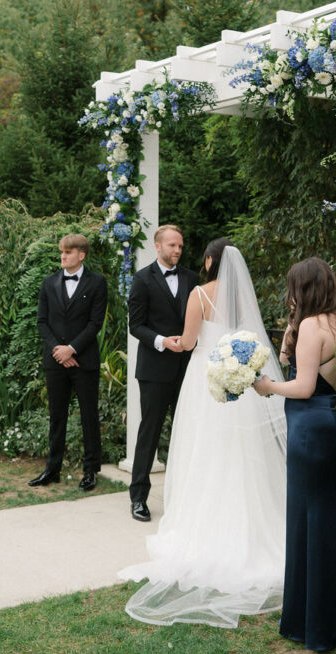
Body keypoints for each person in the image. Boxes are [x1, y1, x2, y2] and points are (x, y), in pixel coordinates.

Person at [120, 240, 287, 627]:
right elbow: (252, 340)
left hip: (206, 380)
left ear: (210, 261)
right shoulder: (243, 299)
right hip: (240, 385)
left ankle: (203, 521)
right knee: (244, 452)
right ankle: (251, 522)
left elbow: (191, 341)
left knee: (205, 448)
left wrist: (177, 342)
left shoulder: (199, 293)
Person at [254, 256, 336, 651]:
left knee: (310, 520)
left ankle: (318, 623)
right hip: (332, 420)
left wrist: (268, 386)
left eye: (292, 287)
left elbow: (303, 386)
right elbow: (313, 370)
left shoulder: (310, 326)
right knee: (333, 516)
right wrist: (290, 334)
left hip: (309, 427)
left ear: (301, 288)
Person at [127, 224, 199, 521]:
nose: (177, 250)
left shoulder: (192, 279)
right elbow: (136, 325)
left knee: (187, 432)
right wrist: (161, 342)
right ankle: (139, 498)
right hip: (155, 370)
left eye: (180, 246)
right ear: (157, 246)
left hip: (187, 369)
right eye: (172, 245)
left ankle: (185, 497)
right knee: (150, 432)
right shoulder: (142, 279)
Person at [29, 233, 108, 491]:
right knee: (57, 416)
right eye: (62, 252)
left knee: (88, 416)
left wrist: (72, 349)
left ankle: (90, 471)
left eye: (68, 252)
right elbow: (42, 321)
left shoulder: (97, 283)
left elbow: (95, 323)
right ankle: (52, 469)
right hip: (55, 361)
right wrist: (58, 351)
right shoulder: (48, 282)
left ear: (81, 255)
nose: (63, 256)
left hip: (84, 360)